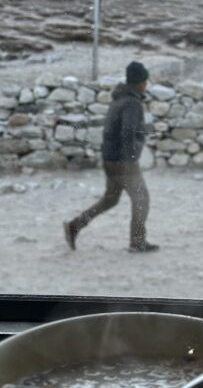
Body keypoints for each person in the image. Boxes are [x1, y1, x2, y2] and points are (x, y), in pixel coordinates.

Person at [64, 61, 159, 253]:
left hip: (110, 158)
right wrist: (132, 157)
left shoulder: (119, 99)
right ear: (140, 82)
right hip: (123, 160)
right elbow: (128, 133)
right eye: (145, 81)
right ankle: (138, 242)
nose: (147, 84)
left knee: (110, 199)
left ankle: (75, 225)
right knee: (142, 199)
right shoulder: (132, 103)